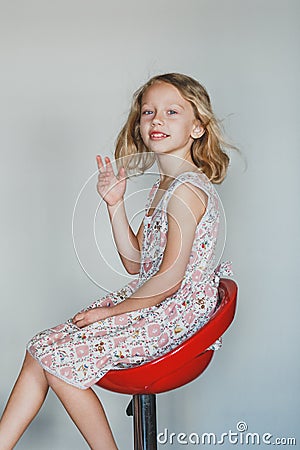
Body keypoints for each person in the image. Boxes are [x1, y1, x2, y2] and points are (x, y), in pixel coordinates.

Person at [0, 73, 234, 449]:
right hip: (155, 300)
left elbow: (172, 278)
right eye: (148, 112)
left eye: (171, 112)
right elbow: (136, 263)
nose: (156, 120)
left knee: (60, 364)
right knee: (40, 348)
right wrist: (115, 205)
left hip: (173, 313)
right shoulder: (164, 187)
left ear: (198, 127)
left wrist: (111, 313)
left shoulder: (187, 191)